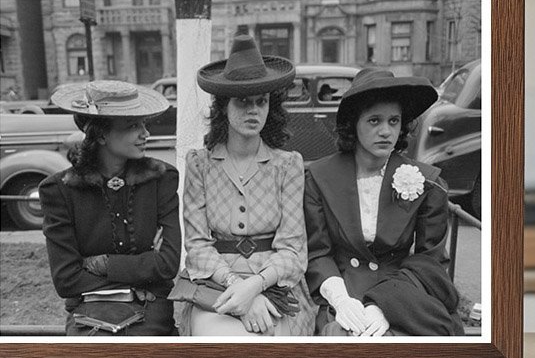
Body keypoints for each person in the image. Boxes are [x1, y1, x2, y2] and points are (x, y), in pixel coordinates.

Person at [304, 67, 465, 337]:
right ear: (354, 124)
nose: (385, 131)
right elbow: (318, 253)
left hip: (402, 294)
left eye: (394, 121)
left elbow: (430, 262)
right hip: (342, 292)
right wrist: (341, 300)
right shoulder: (319, 177)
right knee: (340, 339)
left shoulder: (426, 181)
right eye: (374, 121)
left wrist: (384, 306)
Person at [178, 26, 317, 337]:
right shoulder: (200, 164)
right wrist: (237, 288)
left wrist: (255, 286)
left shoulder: (287, 165)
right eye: (243, 102)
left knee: (273, 351)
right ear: (223, 107)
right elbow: (197, 246)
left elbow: (294, 250)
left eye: (261, 101)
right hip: (217, 284)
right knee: (223, 345)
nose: (254, 110)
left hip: (276, 284)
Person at [38, 79, 180, 336]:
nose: (145, 133)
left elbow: (168, 264)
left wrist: (103, 264)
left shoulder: (161, 179)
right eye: (132, 125)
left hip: (150, 307)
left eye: (144, 124)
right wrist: (144, 264)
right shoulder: (60, 190)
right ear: (101, 134)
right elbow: (66, 280)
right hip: (89, 313)